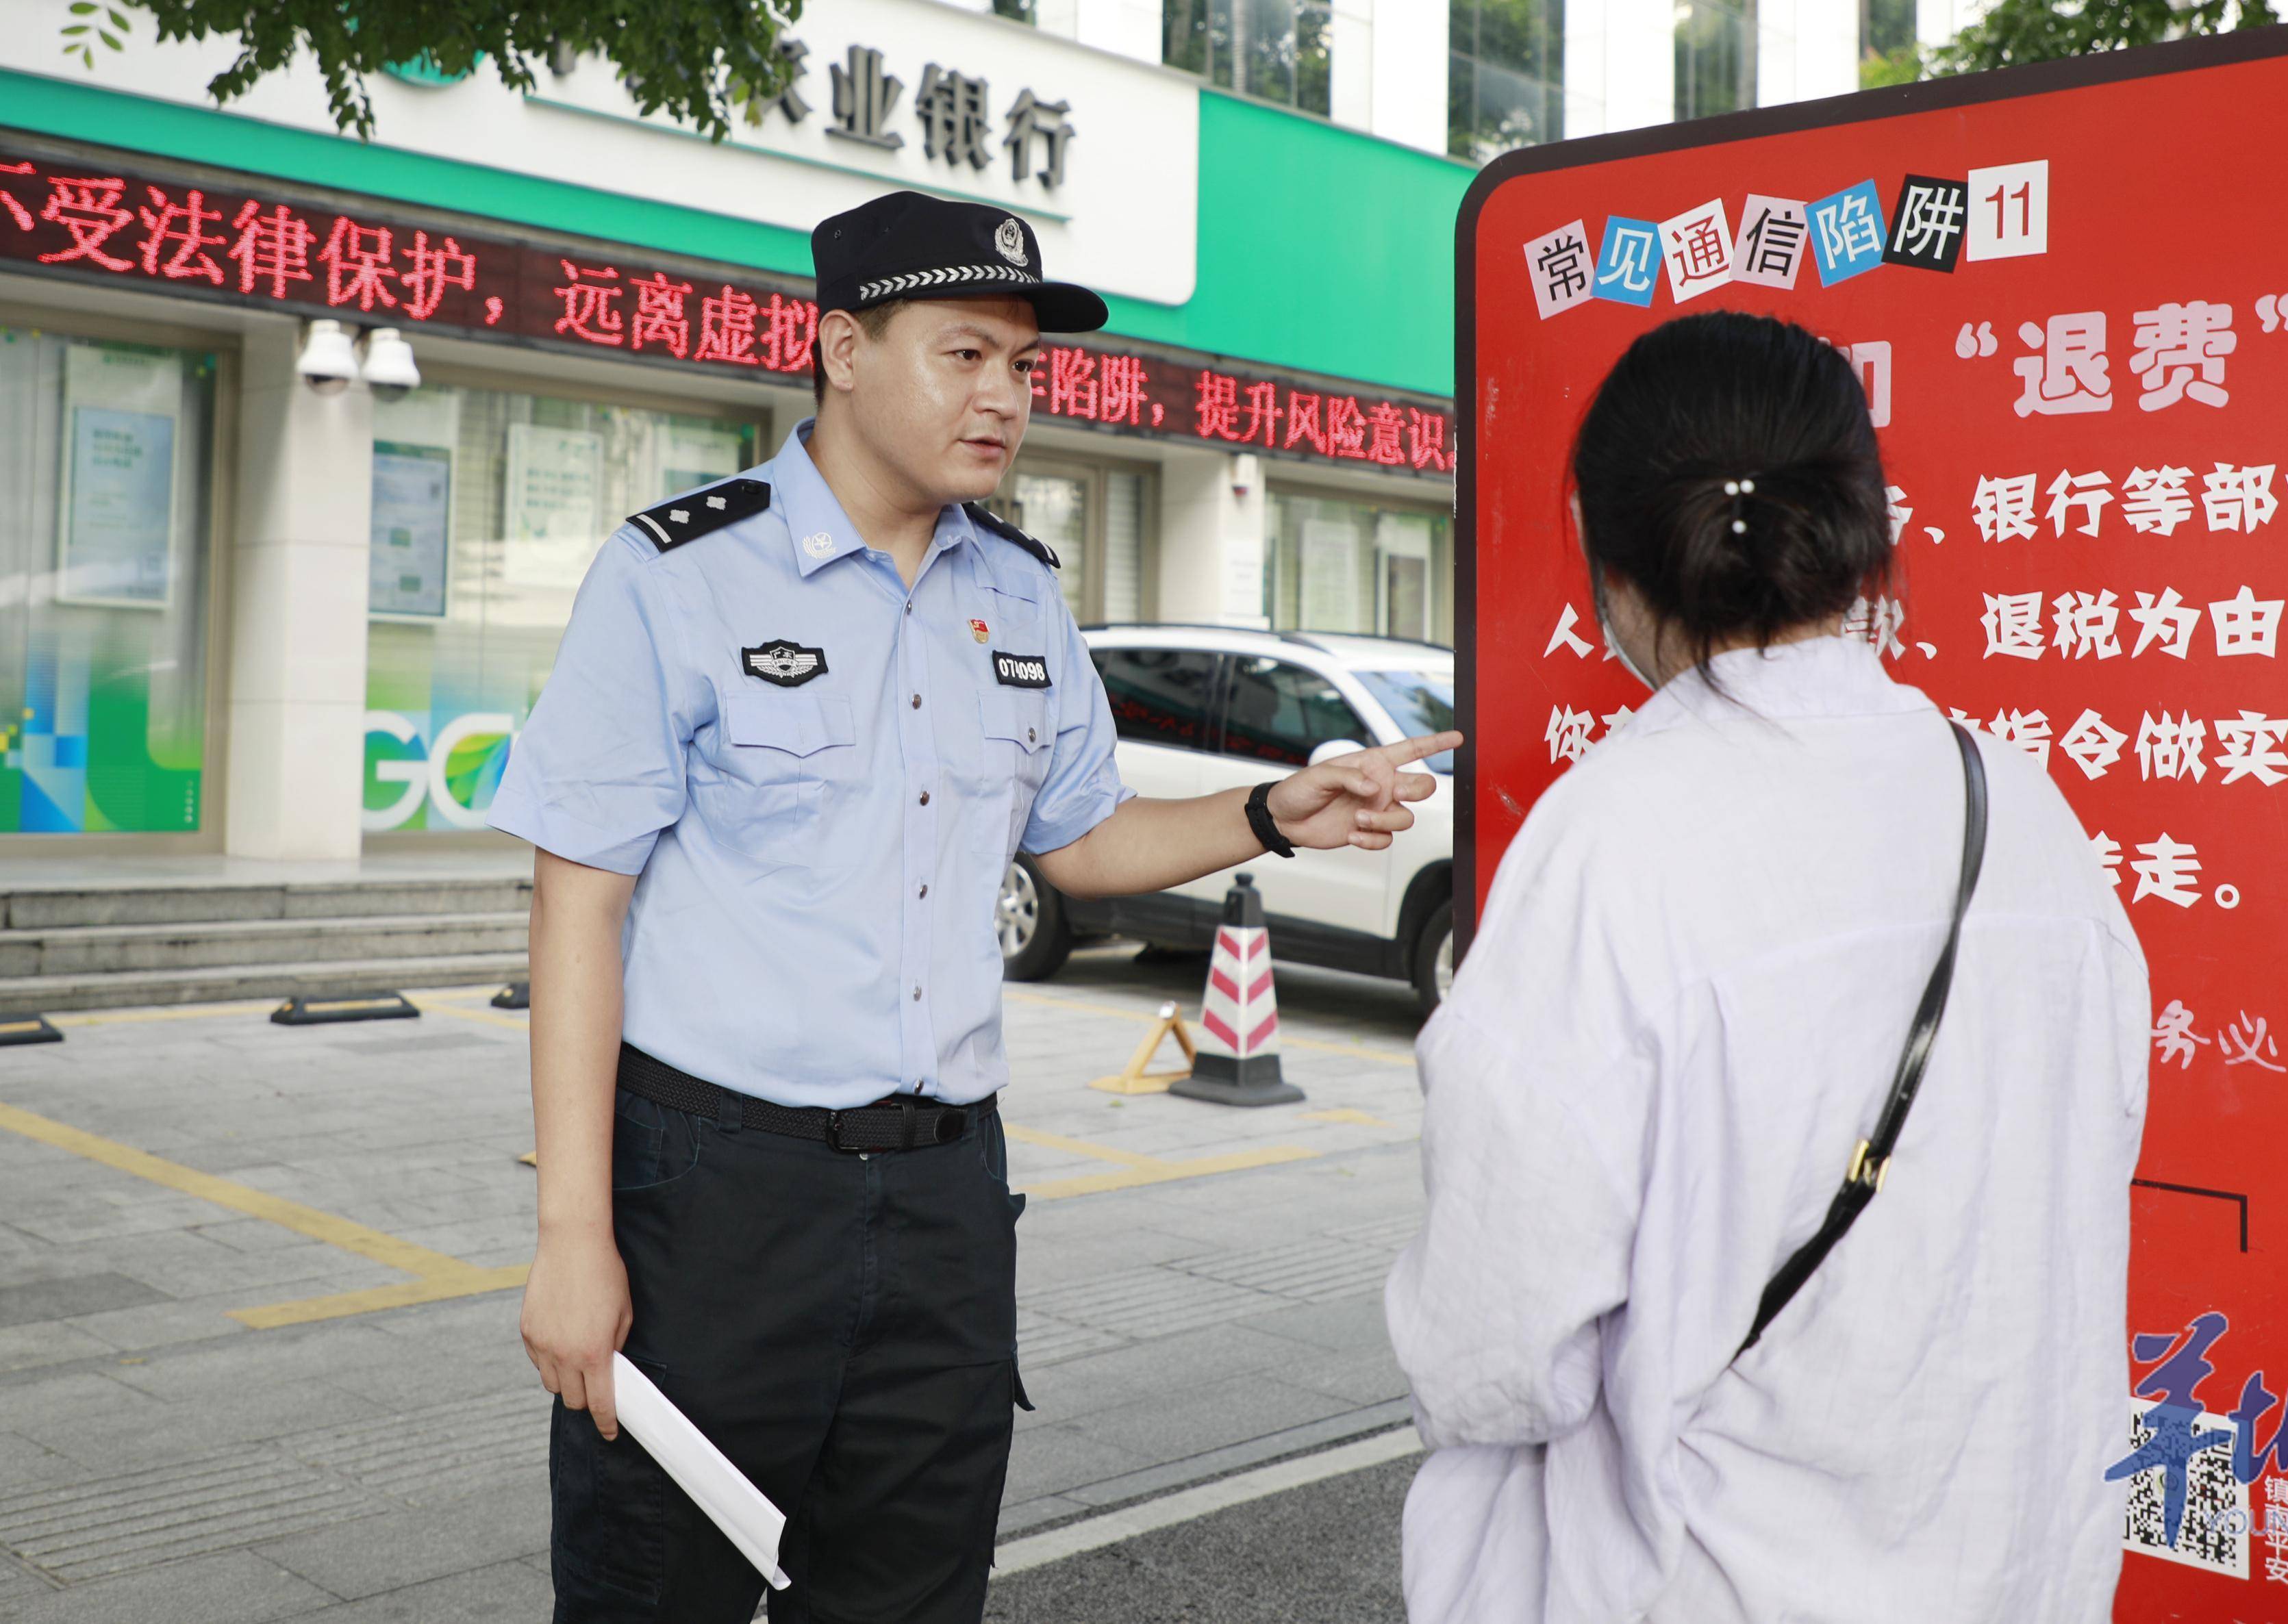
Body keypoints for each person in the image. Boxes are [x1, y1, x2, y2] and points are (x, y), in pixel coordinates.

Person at [488, 189, 1458, 1624]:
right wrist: (575, 1235)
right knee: (655, 1594)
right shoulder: (677, 575)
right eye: (964, 354)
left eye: (1024, 365)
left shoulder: (1015, 593)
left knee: (912, 1597)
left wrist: (1270, 809)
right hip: (715, 1198)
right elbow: (577, 903)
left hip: (946, 1204)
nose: (1005, 397)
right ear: (842, 349)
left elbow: (1080, 841)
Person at [1385, 309, 2150, 1623]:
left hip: (1712, 1578)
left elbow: (1495, 1340)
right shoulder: (2022, 813)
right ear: (1864, 532)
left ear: (1605, 556)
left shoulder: (1613, 840)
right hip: (2015, 1564)